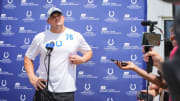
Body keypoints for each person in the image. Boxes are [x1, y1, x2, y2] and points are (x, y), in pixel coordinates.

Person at [24, 7, 93, 101]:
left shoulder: (75, 35)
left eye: (59, 15)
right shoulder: (40, 37)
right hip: (43, 88)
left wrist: (82, 59)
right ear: (48, 21)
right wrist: (32, 77)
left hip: (66, 90)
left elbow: (88, 52)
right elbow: (28, 57)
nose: (57, 18)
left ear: (63, 17)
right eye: (53, 17)